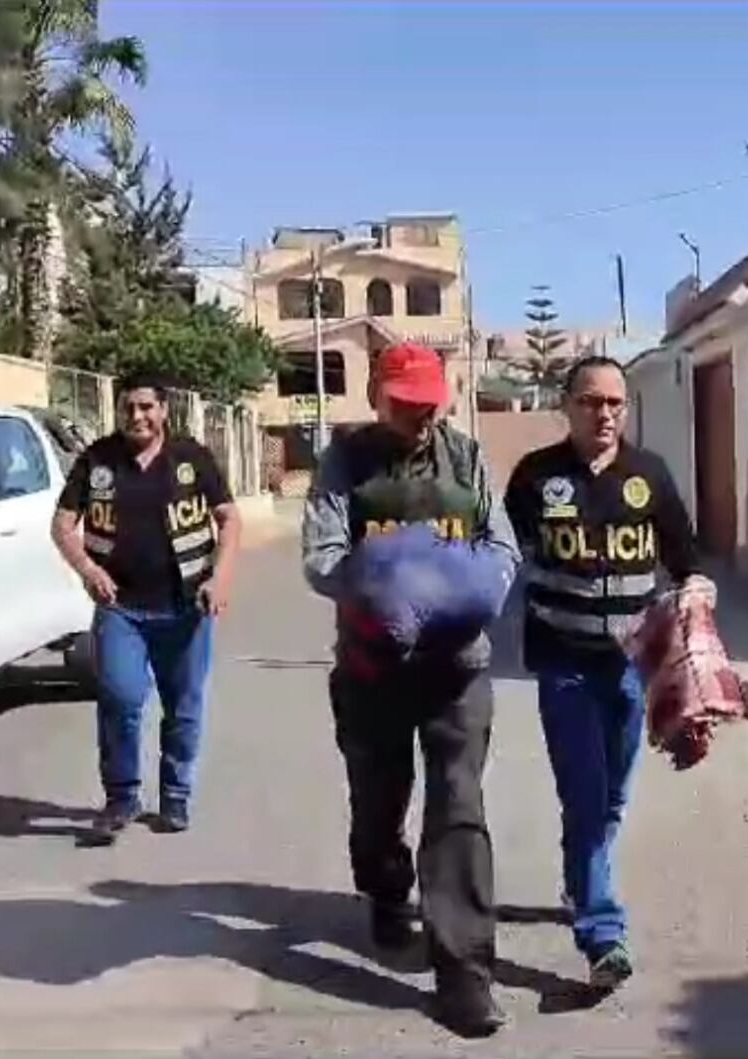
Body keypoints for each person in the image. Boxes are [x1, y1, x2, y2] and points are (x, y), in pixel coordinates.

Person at [302, 343, 519, 1037]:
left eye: (430, 404)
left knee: (459, 805)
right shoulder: (345, 462)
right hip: (373, 668)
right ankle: (387, 888)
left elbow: (502, 546)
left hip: (457, 666)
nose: (420, 417)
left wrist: (465, 586)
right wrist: (386, 579)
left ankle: (464, 973)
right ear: (377, 395)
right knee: (378, 803)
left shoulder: (467, 457)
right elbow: (320, 557)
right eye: (405, 404)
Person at [503, 355, 700, 992]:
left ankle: (581, 876)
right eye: (591, 401)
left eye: (615, 403)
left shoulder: (650, 475)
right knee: (585, 797)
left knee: (613, 794)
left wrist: (697, 596)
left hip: (630, 669)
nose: (605, 414)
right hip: (563, 663)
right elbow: (502, 558)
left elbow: (685, 561)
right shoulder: (535, 478)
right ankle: (602, 934)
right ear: (567, 406)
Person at [52, 372, 242, 844]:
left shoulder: (191, 458)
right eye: (128, 408)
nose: (137, 416)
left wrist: (220, 577)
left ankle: (175, 797)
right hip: (121, 608)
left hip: (187, 607)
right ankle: (121, 797)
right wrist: (88, 570)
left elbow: (228, 518)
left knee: (183, 706)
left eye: (146, 407)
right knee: (120, 697)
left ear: (164, 410)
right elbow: (62, 525)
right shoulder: (97, 460)